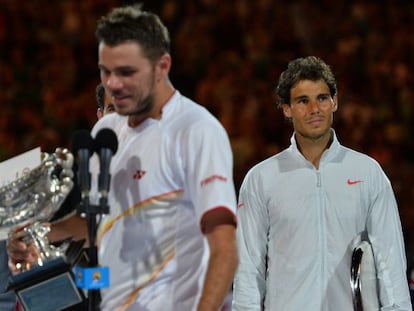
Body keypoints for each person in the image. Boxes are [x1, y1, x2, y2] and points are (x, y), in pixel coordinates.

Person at [8, 4, 238, 311]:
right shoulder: (106, 130)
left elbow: (224, 247)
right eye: (107, 71)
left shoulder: (196, 130)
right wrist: (36, 236)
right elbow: (98, 220)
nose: (114, 84)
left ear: (162, 66)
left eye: (127, 71)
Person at [232, 56, 412, 310]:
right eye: (302, 101)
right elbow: (248, 267)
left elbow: (390, 259)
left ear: (335, 102)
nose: (314, 109)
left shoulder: (368, 172)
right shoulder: (261, 179)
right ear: (286, 109)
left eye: (322, 98)